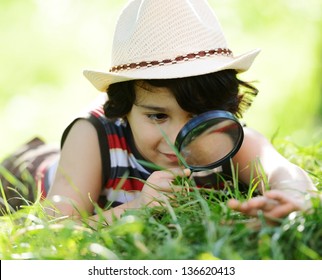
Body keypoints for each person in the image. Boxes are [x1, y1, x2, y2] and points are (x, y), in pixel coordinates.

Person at [1, 0, 317, 226]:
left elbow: (282, 171)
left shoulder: (226, 139)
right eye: (158, 116)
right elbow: (52, 228)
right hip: (28, 177)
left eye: (197, 116)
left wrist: (290, 199)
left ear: (224, 108)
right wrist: (138, 207)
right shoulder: (92, 136)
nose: (177, 136)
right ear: (124, 109)